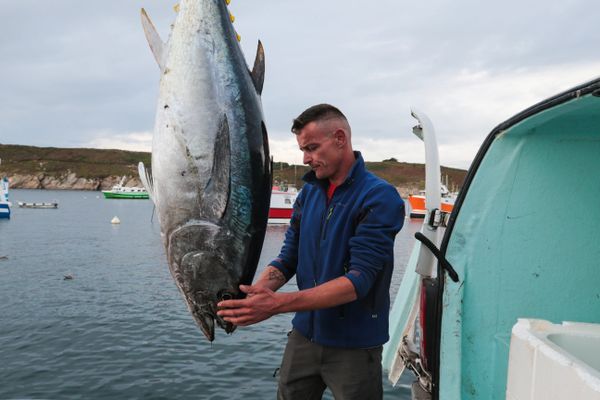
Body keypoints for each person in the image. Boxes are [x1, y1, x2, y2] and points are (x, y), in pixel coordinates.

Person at [217, 104, 405, 399]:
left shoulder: (379, 197)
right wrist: (253, 295)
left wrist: (276, 304)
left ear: (340, 138)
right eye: (303, 149)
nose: (306, 159)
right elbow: (287, 257)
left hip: (355, 345)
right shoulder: (309, 193)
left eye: (312, 148)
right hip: (304, 336)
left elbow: (359, 281)